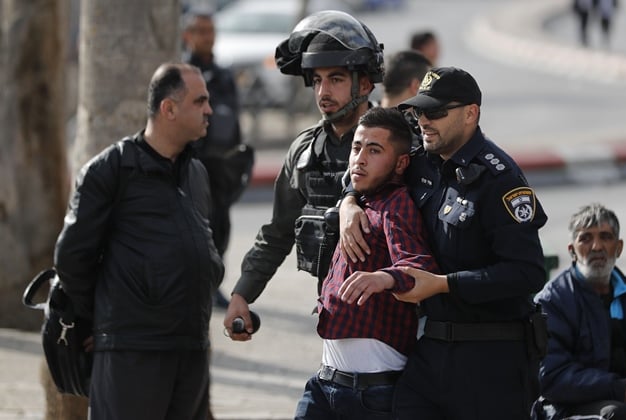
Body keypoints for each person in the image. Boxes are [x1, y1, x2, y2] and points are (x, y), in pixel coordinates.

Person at [339, 66, 549, 419]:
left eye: (435, 112)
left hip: (491, 358)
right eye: (420, 111)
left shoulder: (500, 179)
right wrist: (348, 202)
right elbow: (367, 169)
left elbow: (527, 273)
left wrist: (442, 285)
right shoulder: (421, 162)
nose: (423, 121)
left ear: (470, 114)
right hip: (430, 351)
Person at [54, 62, 225, 420]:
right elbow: (72, 257)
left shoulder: (195, 173)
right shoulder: (110, 170)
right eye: (200, 101)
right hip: (133, 353)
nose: (209, 109)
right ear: (169, 109)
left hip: (191, 348)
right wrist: (103, 319)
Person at [222, 10, 385, 339]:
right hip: (336, 317)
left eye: (336, 79)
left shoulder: (399, 143)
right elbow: (277, 233)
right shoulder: (304, 152)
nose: (324, 91)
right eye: (317, 80)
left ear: (364, 83)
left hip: (400, 318)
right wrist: (242, 295)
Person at [294, 107, 438, 419]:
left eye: (374, 150)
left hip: (370, 395)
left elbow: (419, 266)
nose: (359, 158)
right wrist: (347, 201)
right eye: (357, 147)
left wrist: (384, 278)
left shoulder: (396, 203)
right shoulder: (361, 199)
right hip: (325, 383)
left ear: (401, 163)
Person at [531, 203, 626, 420]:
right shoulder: (553, 300)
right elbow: (550, 377)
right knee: (618, 415)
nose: (597, 246)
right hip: (567, 408)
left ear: (618, 248)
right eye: (586, 238)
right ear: (572, 250)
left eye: (606, 237)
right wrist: (618, 388)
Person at [182, 5, 253, 309]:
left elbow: (233, 118)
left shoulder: (224, 74)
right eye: (200, 31)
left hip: (222, 166)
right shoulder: (184, 74)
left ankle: (213, 284)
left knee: (221, 227)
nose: (207, 37)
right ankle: (195, 287)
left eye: (210, 30)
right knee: (198, 228)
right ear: (188, 35)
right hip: (196, 163)